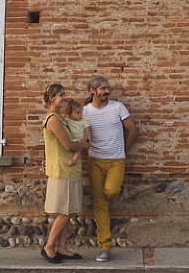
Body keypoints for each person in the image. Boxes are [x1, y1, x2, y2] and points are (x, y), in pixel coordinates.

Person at [83, 75, 138, 262]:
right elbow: (81, 135)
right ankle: (104, 247)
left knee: (111, 190)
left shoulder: (118, 107)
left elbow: (132, 129)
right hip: (95, 161)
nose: (107, 91)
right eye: (103, 89)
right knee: (99, 205)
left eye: (107, 88)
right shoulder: (85, 111)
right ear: (93, 91)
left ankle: (102, 208)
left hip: (116, 160)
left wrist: (124, 149)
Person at [40, 83, 88, 263]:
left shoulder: (59, 118)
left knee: (67, 210)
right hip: (62, 170)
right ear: (52, 99)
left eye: (64, 94)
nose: (65, 97)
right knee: (64, 212)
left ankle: (61, 248)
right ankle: (49, 247)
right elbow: (68, 145)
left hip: (69, 169)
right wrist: (84, 145)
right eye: (61, 95)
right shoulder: (52, 119)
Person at [64, 99, 89, 167]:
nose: (80, 115)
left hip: (79, 140)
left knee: (77, 151)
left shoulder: (83, 121)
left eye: (81, 112)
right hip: (70, 140)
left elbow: (87, 130)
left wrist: (84, 140)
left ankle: (74, 160)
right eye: (77, 113)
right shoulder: (67, 120)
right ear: (70, 113)